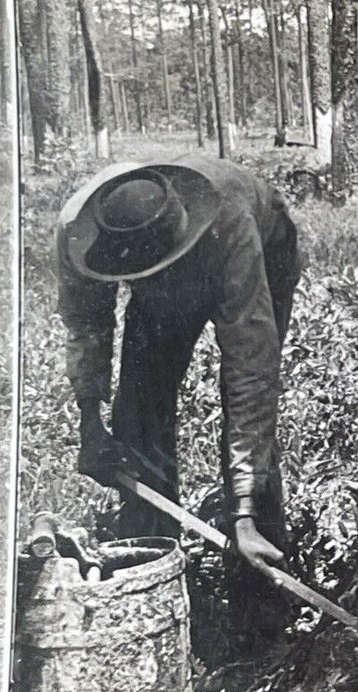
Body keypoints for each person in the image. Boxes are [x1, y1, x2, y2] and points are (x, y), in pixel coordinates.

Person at [55, 155, 302, 656]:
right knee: (137, 418)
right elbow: (86, 324)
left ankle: (261, 609)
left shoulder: (232, 224)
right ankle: (155, 580)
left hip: (261, 249)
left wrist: (246, 510)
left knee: (247, 417)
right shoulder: (77, 234)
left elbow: (249, 370)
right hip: (156, 259)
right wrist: (90, 420)